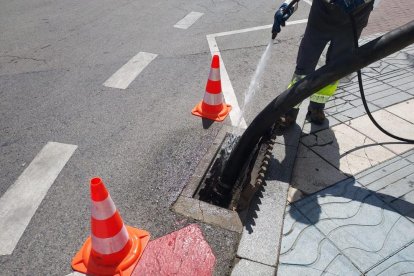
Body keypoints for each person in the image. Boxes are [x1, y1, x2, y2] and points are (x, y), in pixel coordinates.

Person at [272, 0, 375, 126]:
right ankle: (290, 108)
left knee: (336, 66)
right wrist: (287, 5)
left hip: (356, 15)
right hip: (322, 13)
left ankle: (317, 106)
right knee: (305, 62)